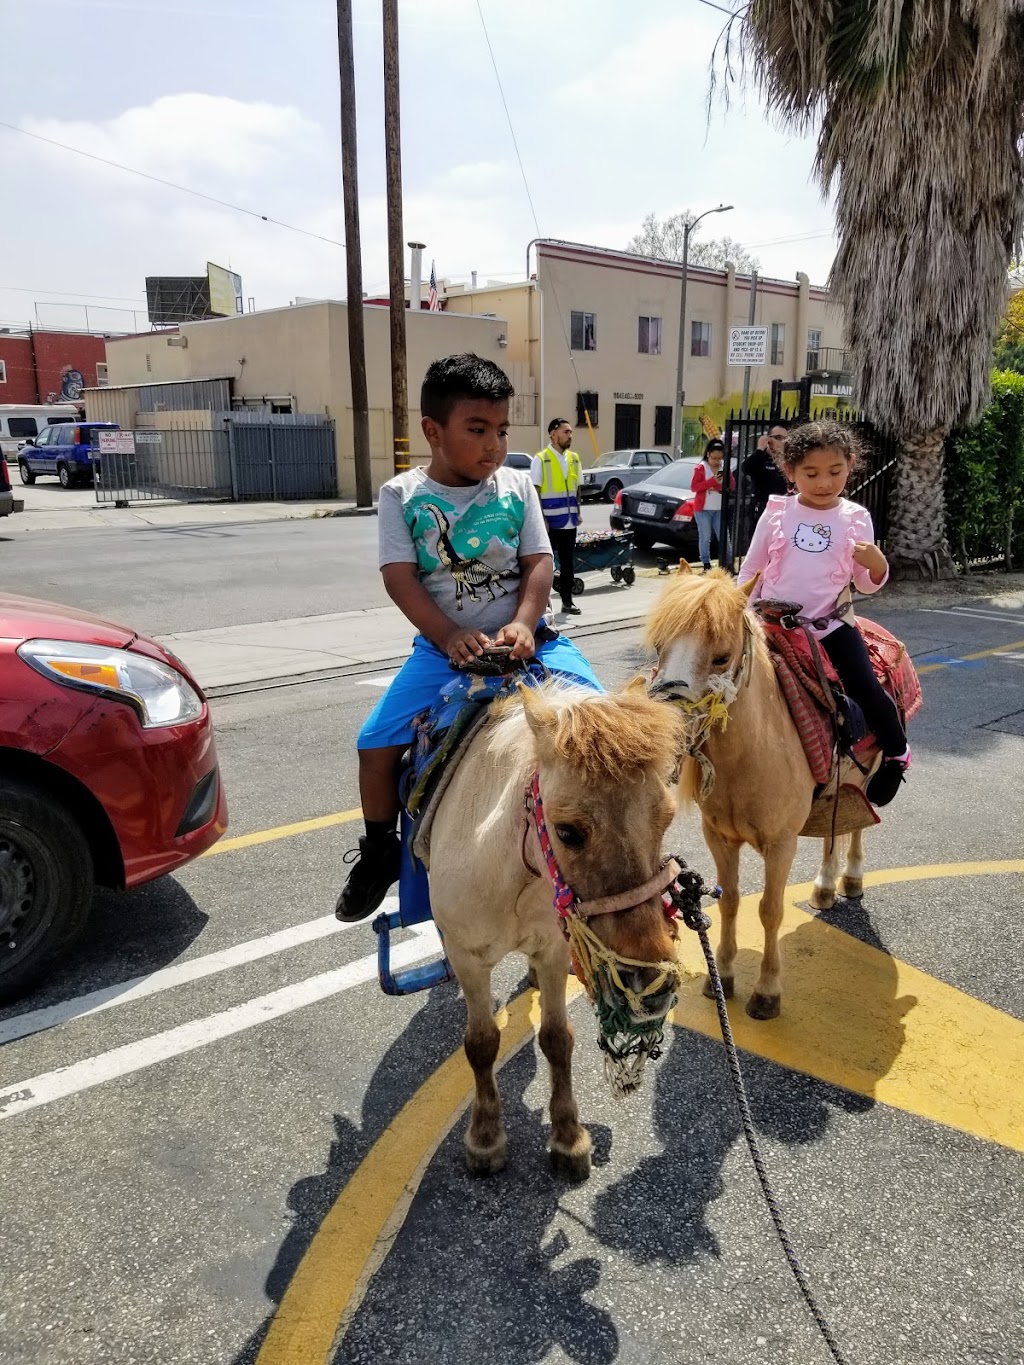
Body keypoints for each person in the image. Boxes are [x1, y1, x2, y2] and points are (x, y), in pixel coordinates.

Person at [335, 354, 601, 922]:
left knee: (608, 728)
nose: (494, 445)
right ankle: (379, 850)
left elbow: (538, 562)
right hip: (445, 651)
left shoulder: (516, 486)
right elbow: (400, 577)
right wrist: (449, 634)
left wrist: (525, 623)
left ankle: (616, 850)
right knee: (374, 745)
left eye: (502, 431)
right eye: (477, 430)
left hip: (535, 641)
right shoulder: (401, 496)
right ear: (434, 431)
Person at [737, 419, 910, 807]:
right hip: (772, 626)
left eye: (835, 472)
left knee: (864, 686)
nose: (823, 482)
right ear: (790, 472)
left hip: (830, 625)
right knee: (726, 684)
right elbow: (751, 570)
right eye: (810, 473)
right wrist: (737, 613)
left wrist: (878, 564)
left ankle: (898, 753)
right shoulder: (778, 512)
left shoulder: (855, 517)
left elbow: (865, 584)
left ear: (850, 464)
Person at [531, 418, 583, 615]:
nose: (570, 435)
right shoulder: (541, 459)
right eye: (566, 432)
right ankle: (543, 605)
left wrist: (579, 512)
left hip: (569, 521)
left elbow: (577, 489)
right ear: (553, 434)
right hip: (550, 523)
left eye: (571, 432)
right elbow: (535, 490)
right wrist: (541, 519)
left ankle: (567, 602)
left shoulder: (574, 459)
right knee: (545, 566)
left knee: (569, 563)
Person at [690, 438, 734, 571]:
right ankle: (706, 563)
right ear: (708, 455)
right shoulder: (701, 468)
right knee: (705, 536)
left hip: (719, 508)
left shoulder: (723, 467)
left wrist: (723, 480)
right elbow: (694, 487)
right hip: (703, 509)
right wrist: (712, 482)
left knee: (724, 536)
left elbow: (731, 485)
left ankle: (728, 562)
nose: (716, 461)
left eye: (719, 458)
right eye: (714, 458)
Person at [743, 421, 790, 528]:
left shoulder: (788, 460)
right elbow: (747, 468)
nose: (782, 442)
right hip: (763, 506)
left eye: (785, 438)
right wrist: (760, 448)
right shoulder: (761, 457)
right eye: (778, 437)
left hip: (783, 507)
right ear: (768, 439)